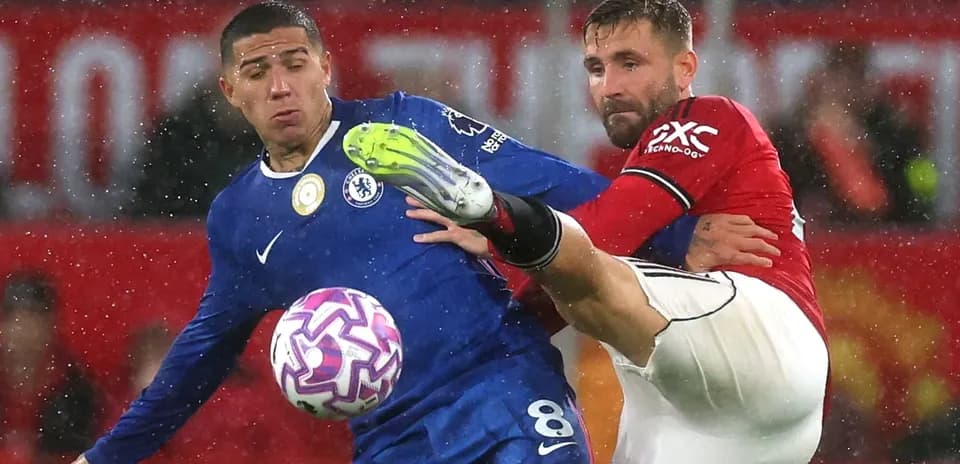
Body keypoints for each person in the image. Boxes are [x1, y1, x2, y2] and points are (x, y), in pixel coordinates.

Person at [73, 2, 776, 463]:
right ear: (231, 91)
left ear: (326, 66)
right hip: (390, 439)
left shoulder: (405, 124)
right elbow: (196, 362)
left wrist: (681, 236)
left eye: (295, 64)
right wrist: (101, 458)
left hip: (502, 395)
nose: (281, 86)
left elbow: (559, 185)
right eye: (258, 72)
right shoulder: (239, 216)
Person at [341, 0, 830, 462]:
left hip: (761, 338)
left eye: (630, 64)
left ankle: (484, 205)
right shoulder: (659, 159)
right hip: (715, 414)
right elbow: (555, 292)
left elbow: (605, 233)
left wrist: (494, 235)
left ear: (685, 68)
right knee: (578, 281)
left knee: (588, 269)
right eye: (596, 69)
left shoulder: (707, 117)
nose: (609, 86)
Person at [0, 271, 100, 464]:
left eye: (34, 320)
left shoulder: (76, 388)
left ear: (51, 325)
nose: (24, 331)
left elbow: (79, 453)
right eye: (17, 320)